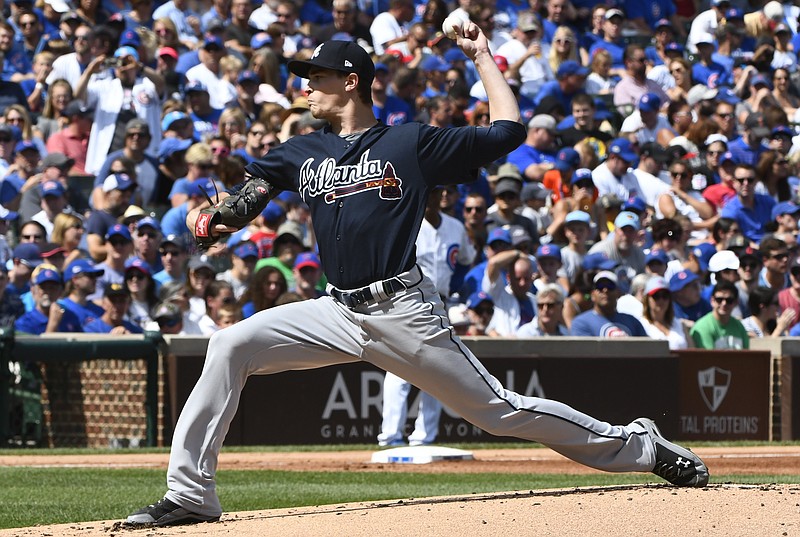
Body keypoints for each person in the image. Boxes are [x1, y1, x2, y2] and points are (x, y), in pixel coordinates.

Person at [126, 36, 708, 527]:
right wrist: (220, 217)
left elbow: (507, 130)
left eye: (316, 76)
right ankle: (191, 493)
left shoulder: (410, 143)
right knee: (230, 343)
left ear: (351, 81)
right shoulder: (304, 150)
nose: (305, 86)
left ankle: (640, 445)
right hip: (337, 311)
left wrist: (481, 54)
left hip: (403, 311)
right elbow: (252, 195)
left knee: (498, 412)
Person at [570, 271, 647, 337]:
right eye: (600, 287)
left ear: (618, 293)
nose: (605, 290)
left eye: (610, 286)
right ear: (593, 294)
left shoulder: (632, 321)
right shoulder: (581, 323)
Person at [690, 280, 749, 349]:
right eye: (719, 299)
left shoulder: (739, 326)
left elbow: (746, 354)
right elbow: (707, 358)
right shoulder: (702, 327)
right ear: (712, 301)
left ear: (736, 303)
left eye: (729, 300)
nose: (724, 303)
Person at [639, 275, 691, 350]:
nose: (661, 300)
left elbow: (692, 352)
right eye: (656, 296)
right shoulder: (641, 326)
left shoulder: (680, 325)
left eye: (665, 296)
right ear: (647, 299)